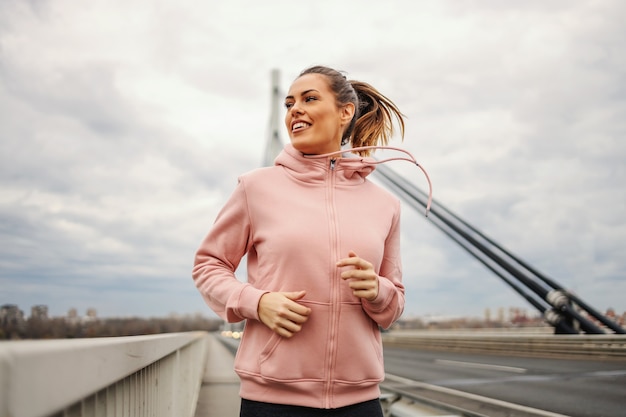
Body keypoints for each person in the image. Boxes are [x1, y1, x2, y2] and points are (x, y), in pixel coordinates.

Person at [193, 65, 424, 417]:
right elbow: (208, 265)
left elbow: (393, 306)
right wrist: (256, 301)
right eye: (288, 104)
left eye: (309, 99)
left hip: (360, 402)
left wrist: (376, 289)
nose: (294, 110)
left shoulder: (385, 205)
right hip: (272, 401)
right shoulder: (255, 188)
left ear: (345, 112)